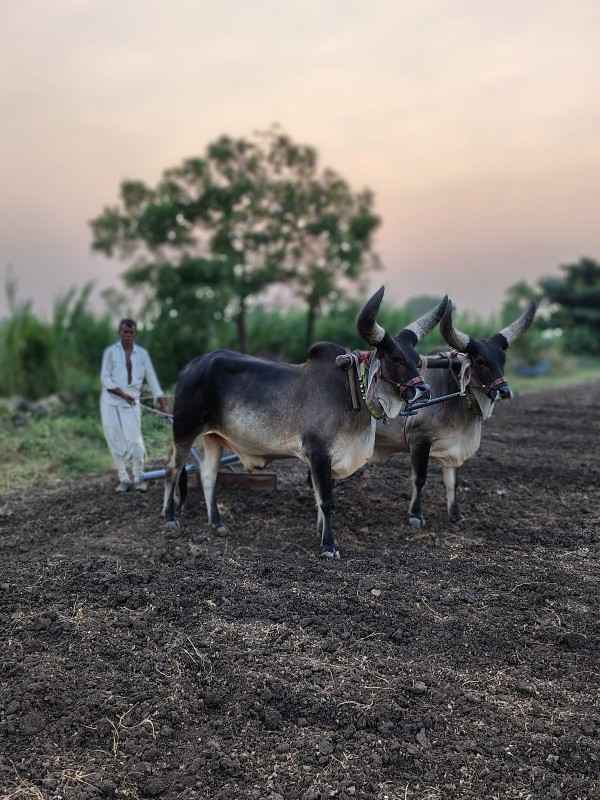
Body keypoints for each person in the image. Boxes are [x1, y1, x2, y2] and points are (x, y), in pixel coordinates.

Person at [100, 318, 169, 493]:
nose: (128, 335)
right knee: (114, 438)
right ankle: (123, 478)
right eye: (125, 332)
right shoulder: (110, 352)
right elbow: (105, 378)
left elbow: (152, 378)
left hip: (132, 403)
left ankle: (139, 478)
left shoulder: (142, 354)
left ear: (135, 333)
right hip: (110, 402)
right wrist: (122, 394)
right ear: (119, 332)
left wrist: (162, 402)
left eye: (131, 332)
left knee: (135, 441)